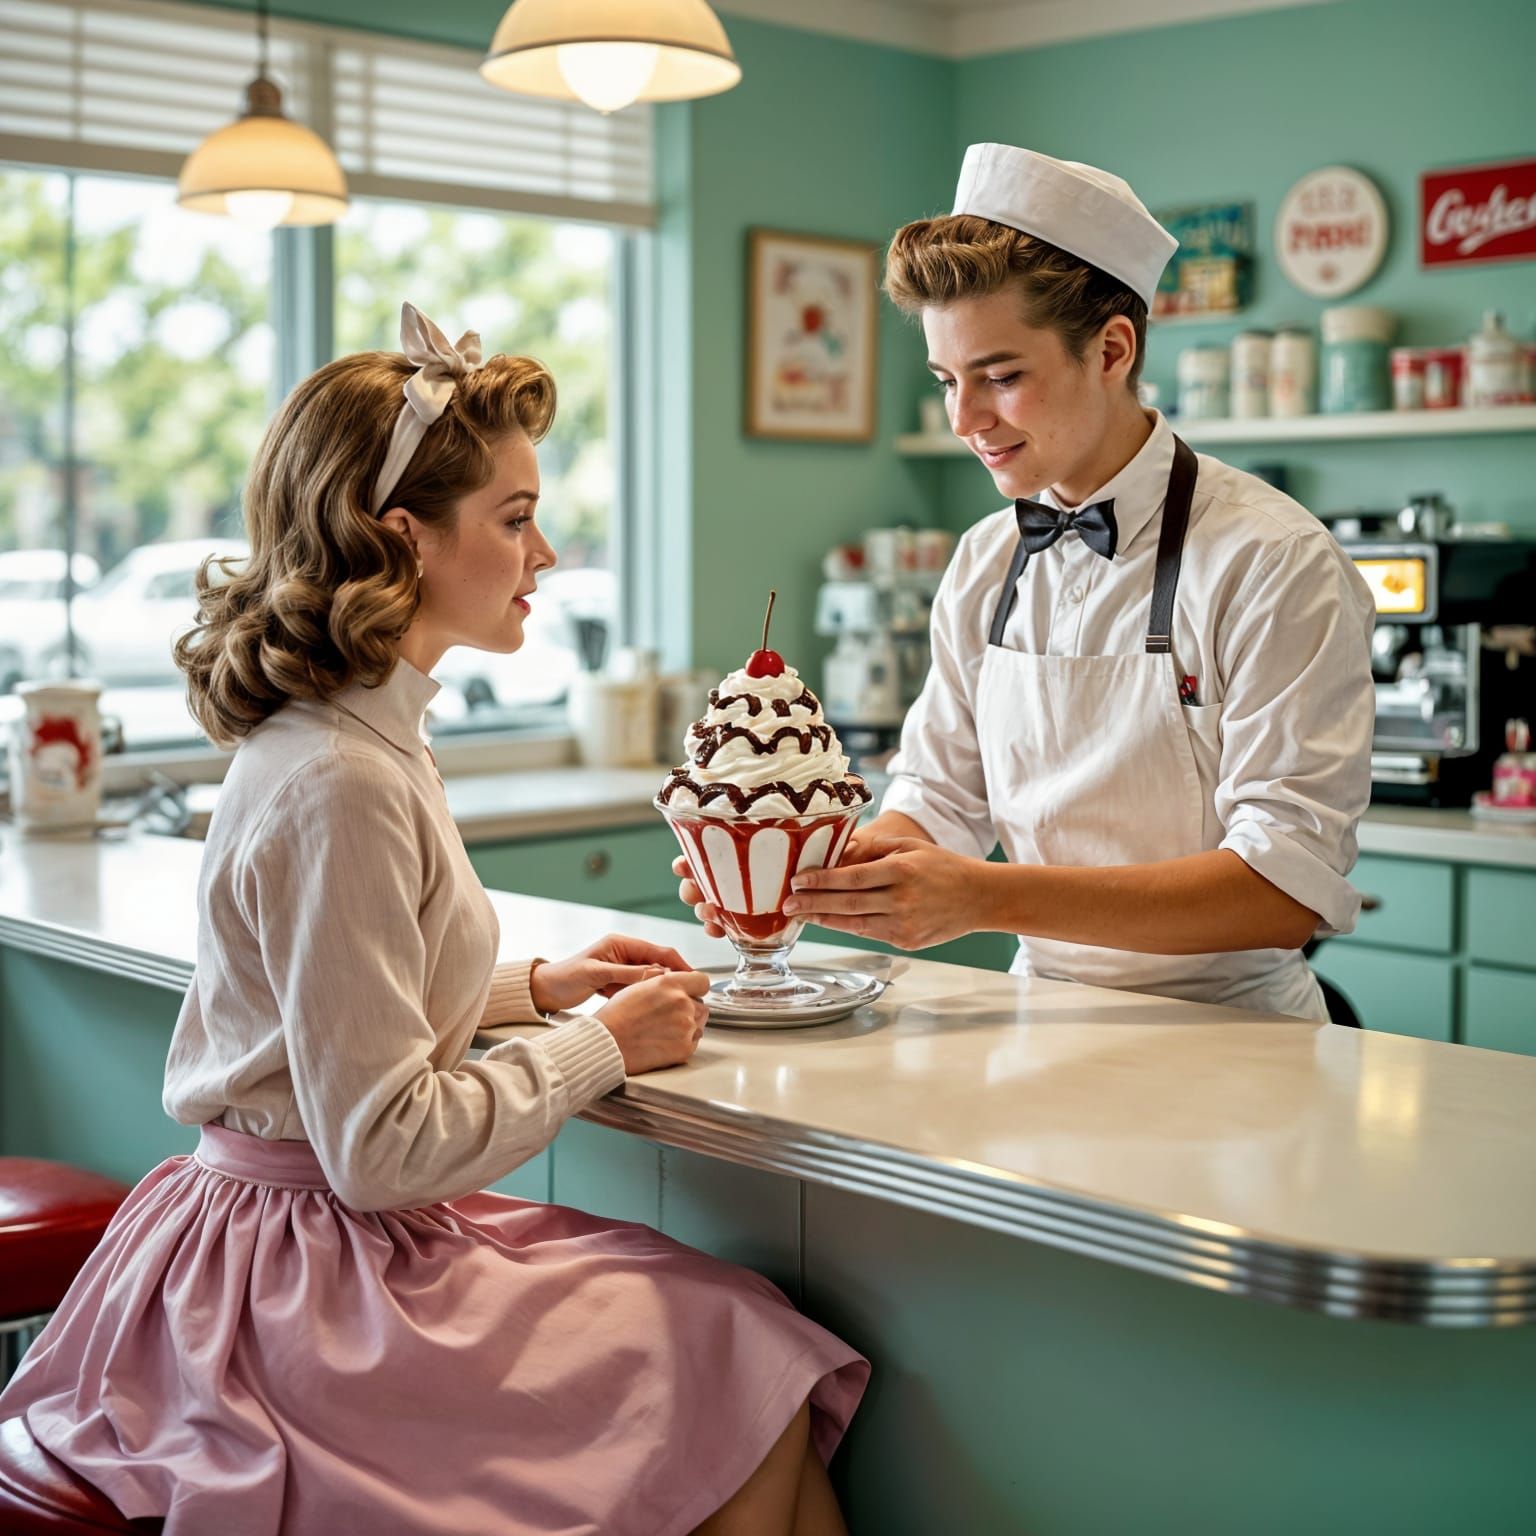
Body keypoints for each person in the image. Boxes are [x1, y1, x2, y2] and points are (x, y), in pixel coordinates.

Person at [0, 304, 866, 1535]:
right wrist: (605, 1045)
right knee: (740, 1354)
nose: (548, 553)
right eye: (515, 520)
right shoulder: (341, 779)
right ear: (400, 539)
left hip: (275, 1245)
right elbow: (381, 1149)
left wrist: (542, 986)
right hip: (304, 1286)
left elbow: (332, 1006)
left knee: (736, 1356)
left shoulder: (352, 737)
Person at [678, 144, 1375, 1021]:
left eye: (1001, 377)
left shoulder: (1274, 561)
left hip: (1241, 1036)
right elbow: (935, 800)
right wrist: (801, 871)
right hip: (1033, 1021)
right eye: (947, 382)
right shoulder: (982, 560)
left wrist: (987, 898)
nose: (966, 420)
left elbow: (1283, 894)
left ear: (1112, 349)